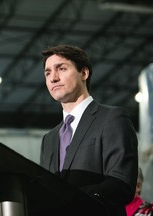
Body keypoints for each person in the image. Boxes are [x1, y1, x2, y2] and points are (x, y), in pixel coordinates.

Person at [39, 44, 139, 216]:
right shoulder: (49, 139)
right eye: (48, 73)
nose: (53, 78)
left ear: (84, 73)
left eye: (61, 69)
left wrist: (69, 200)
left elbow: (121, 184)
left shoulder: (112, 118)